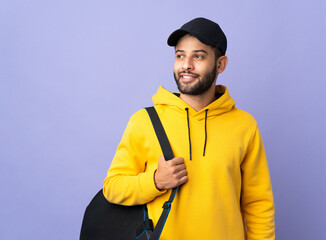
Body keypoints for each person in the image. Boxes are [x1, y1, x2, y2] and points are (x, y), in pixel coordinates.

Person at [103, 17, 275, 240]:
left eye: (199, 56)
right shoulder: (143, 121)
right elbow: (112, 187)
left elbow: (258, 204)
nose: (186, 65)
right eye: (180, 55)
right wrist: (155, 181)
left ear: (221, 64)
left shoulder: (244, 125)